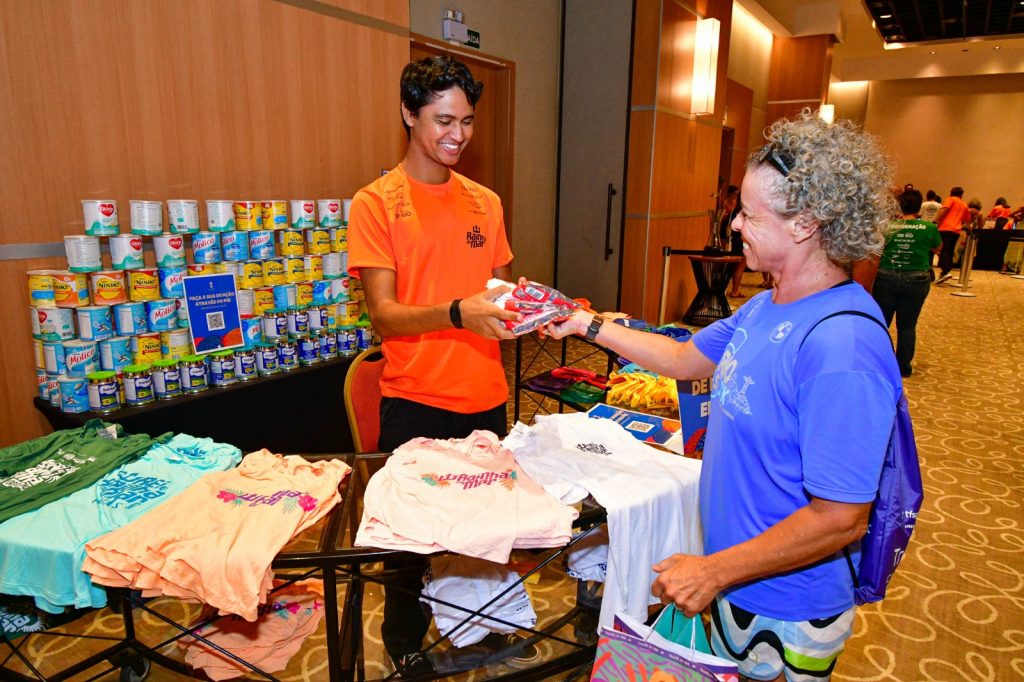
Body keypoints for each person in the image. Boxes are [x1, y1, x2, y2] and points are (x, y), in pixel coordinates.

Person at [546, 111, 901, 682]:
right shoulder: (767, 305)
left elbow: (840, 519)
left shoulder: (844, 347)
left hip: (787, 605)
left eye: (749, 214)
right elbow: (685, 360)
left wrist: (713, 570)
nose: (735, 225)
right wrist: (584, 324)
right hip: (740, 579)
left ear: (805, 224)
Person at [347, 55, 518, 676]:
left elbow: (494, 296)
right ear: (407, 113)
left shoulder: (485, 202)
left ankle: (481, 625)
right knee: (410, 545)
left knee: (484, 532)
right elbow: (385, 316)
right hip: (416, 399)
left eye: (467, 121)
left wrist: (525, 307)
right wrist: (456, 312)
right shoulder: (376, 203)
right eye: (443, 119)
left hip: (485, 394)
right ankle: (404, 641)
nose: (457, 134)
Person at [872, 188, 941, 377]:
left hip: (886, 277)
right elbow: (938, 247)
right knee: (907, 326)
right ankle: (903, 366)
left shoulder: (887, 226)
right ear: (919, 207)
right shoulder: (929, 228)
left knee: (881, 323)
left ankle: (878, 362)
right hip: (917, 279)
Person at [934, 186, 969, 283]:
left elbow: (944, 210)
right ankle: (946, 271)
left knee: (943, 250)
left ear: (951, 192)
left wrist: (935, 221)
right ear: (961, 194)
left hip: (945, 228)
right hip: (956, 230)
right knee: (950, 251)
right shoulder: (964, 204)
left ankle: (945, 272)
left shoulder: (950, 199)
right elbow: (966, 220)